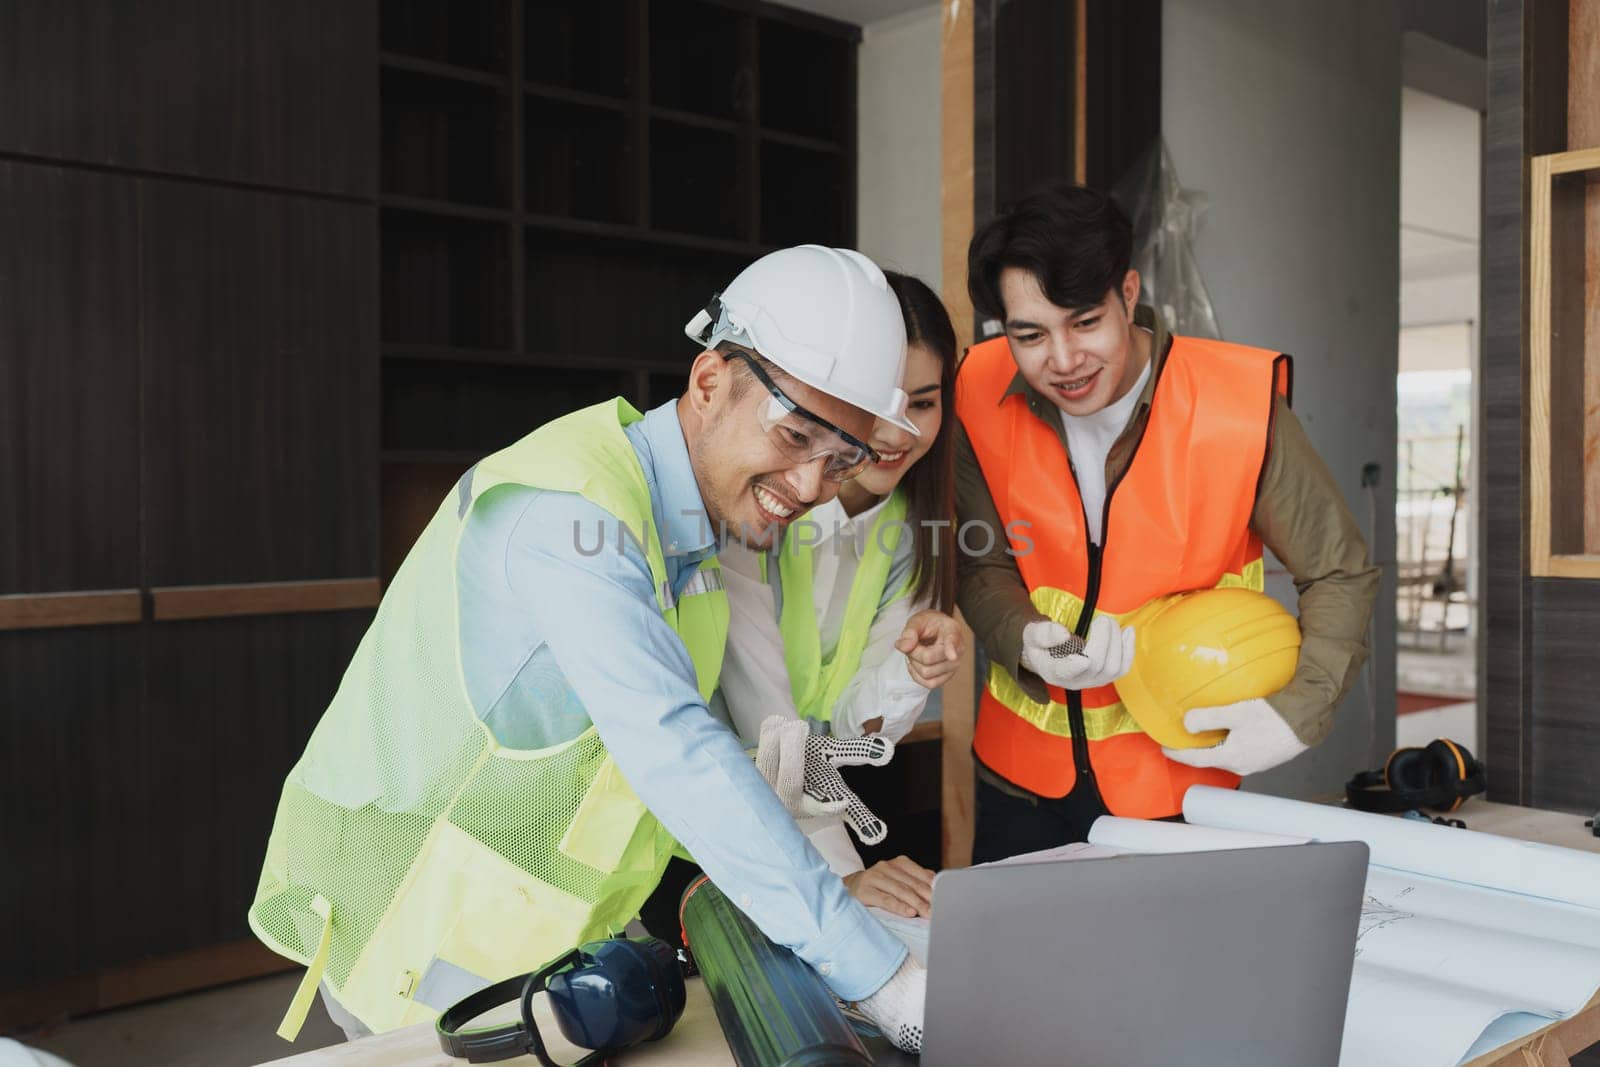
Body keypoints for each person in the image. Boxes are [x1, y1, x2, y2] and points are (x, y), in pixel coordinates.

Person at [247, 245, 926, 1053]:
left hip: (546, 943)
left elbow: (629, 757)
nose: (814, 483)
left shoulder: (692, 541)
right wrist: (879, 973)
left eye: (842, 456)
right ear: (708, 383)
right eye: (794, 434)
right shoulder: (573, 513)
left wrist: (769, 797)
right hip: (426, 940)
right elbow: (671, 747)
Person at [955, 184, 1380, 862]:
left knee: (1170, 970)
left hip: (1182, 787)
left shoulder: (1238, 407)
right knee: (1020, 969)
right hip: (1020, 783)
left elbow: (1339, 569)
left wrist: (1296, 713)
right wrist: (1025, 636)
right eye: (1029, 334)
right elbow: (981, 563)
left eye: (1085, 321)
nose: (1062, 361)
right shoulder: (976, 389)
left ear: (1128, 294)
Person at [707, 271, 962, 920]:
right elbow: (766, 724)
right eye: (881, 402)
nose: (900, 431)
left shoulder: (916, 527)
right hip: (708, 837)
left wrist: (911, 671)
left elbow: (853, 726)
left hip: (801, 818)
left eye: (925, 403)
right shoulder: (758, 506)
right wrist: (840, 884)